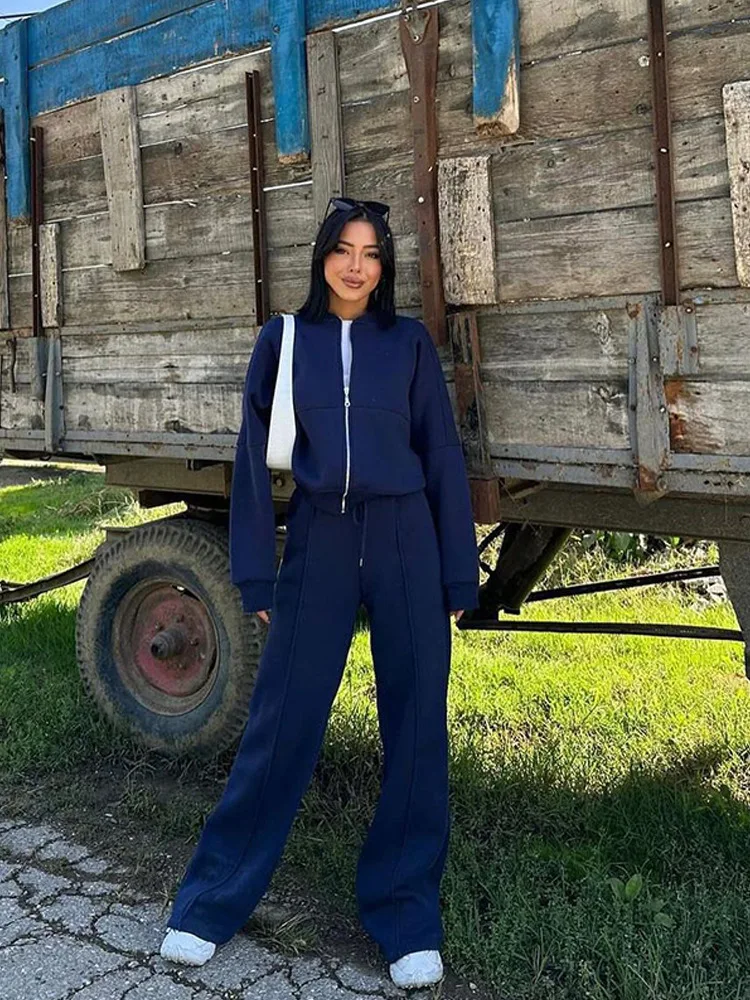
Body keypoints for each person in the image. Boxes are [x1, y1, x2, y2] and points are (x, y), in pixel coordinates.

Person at [159, 196, 479, 989]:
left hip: (405, 537)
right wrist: (255, 570)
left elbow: (442, 453)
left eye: (370, 253)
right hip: (320, 539)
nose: (356, 266)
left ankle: (404, 913)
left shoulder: (407, 343)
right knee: (282, 720)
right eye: (343, 250)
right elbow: (251, 455)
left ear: (384, 265)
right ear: (322, 258)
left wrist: (455, 569)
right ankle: (210, 902)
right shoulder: (285, 339)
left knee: (417, 725)